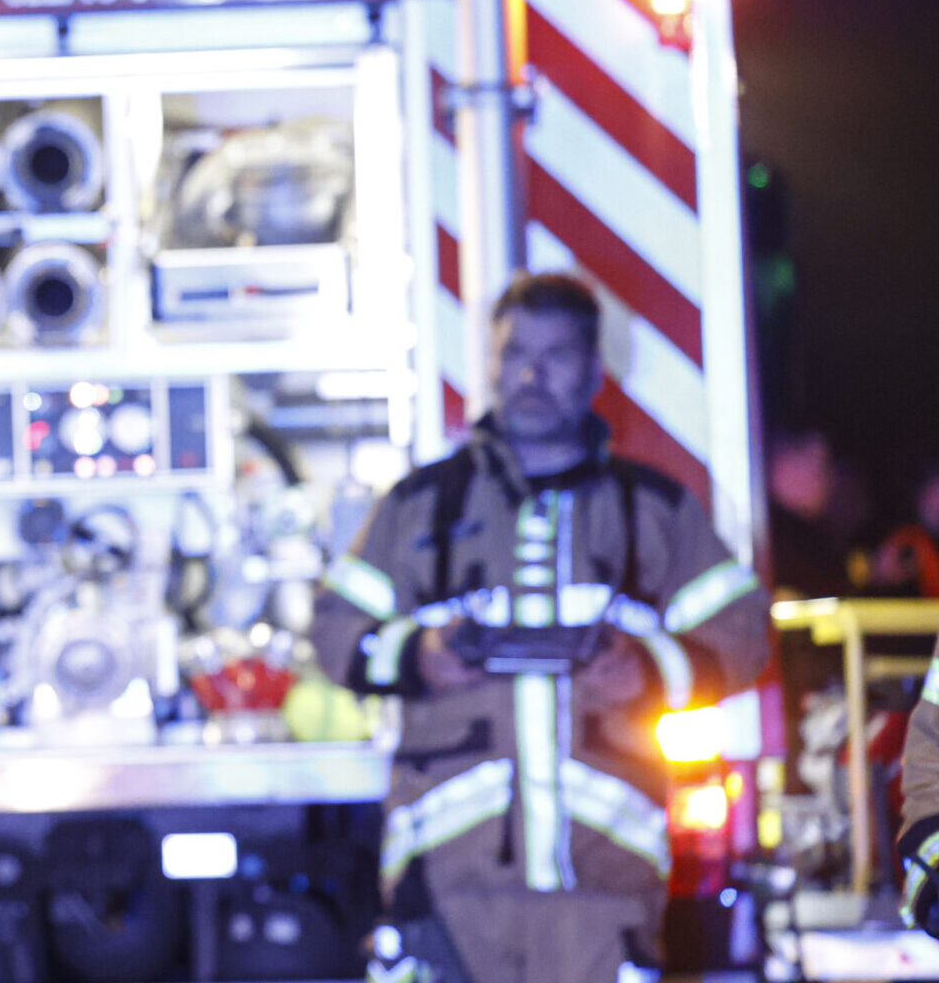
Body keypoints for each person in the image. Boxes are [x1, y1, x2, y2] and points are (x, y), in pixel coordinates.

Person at [310, 273, 768, 983]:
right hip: (444, 886)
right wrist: (418, 655)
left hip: (606, 886)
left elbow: (743, 635)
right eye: (512, 351)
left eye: (554, 355)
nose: (529, 372)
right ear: (488, 363)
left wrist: (648, 670)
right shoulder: (420, 506)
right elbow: (338, 630)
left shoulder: (652, 509)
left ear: (592, 371)